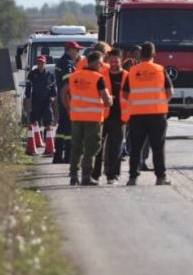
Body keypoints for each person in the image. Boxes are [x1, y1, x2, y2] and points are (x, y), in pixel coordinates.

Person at [123, 42, 174, 186]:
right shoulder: (160, 70)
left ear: (140, 55)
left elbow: (125, 94)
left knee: (136, 148)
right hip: (157, 114)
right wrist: (161, 102)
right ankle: (160, 177)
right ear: (154, 54)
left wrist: (137, 101)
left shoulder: (133, 71)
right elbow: (170, 92)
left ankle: (133, 178)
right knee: (158, 147)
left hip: (137, 115)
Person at [60, 51, 112, 186]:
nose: (101, 66)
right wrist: (110, 101)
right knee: (91, 147)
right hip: (93, 119)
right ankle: (86, 176)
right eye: (100, 63)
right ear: (95, 63)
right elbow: (106, 100)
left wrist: (69, 108)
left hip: (76, 117)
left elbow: (63, 93)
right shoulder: (98, 78)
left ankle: (73, 175)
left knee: (76, 146)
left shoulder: (74, 76)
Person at [94, 49, 128, 185]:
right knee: (98, 147)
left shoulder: (127, 76)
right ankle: (95, 174)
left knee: (116, 148)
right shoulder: (101, 76)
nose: (114, 63)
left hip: (120, 117)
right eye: (111, 61)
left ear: (121, 60)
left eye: (116, 61)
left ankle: (112, 175)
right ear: (108, 61)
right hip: (102, 116)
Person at [52, 41, 82, 165]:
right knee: (69, 129)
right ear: (70, 50)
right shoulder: (66, 64)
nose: (78, 52)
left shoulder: (62, 62)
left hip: (62, 99)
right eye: (77, 50)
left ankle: (58, 156)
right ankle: (68, 156)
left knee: (62, 129)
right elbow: (70, 83)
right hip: (68, 99)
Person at [24, 55, 56, 137]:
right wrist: (27, 95)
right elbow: (28, 85)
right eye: (38, 63)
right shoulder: (32, 74)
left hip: (47, 102)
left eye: (42, 63)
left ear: (45, 63)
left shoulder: (50, 75)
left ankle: (48, 138)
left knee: (48, 120)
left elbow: (53, 88)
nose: (40, 64)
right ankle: (37, 138)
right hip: (36, 102)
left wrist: (53, 97)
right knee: (35, 121)